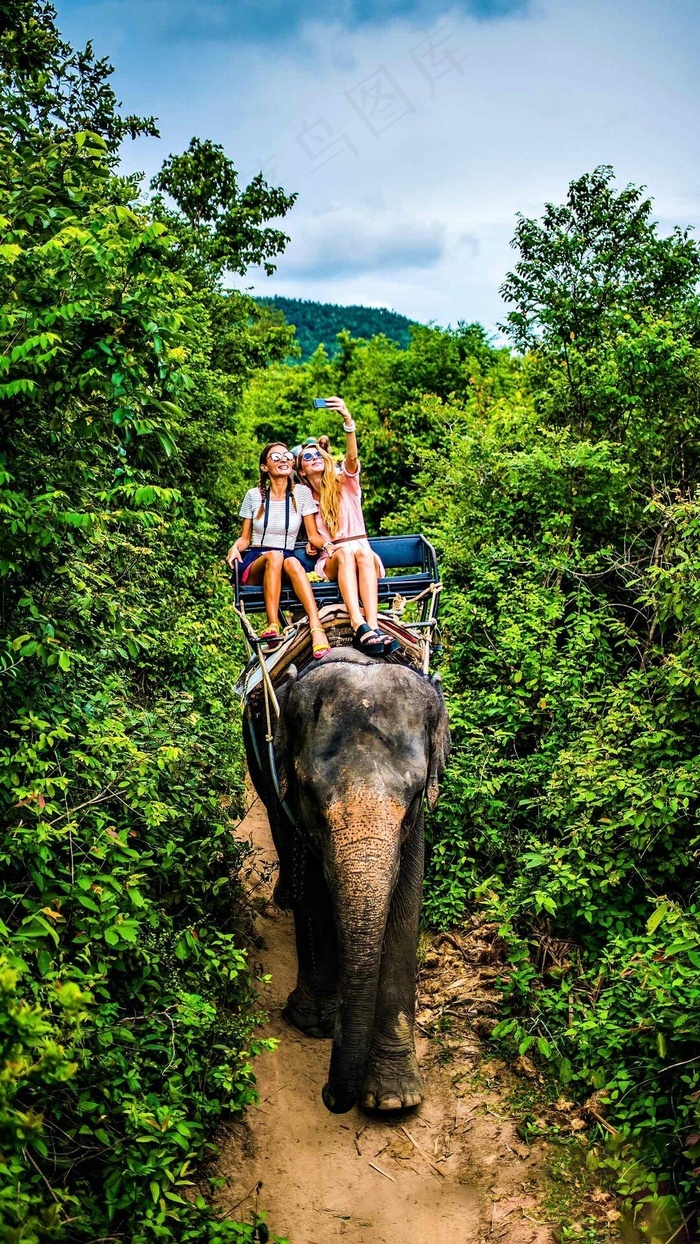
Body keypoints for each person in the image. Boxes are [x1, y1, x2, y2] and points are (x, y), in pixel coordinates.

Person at [296, 397, 399, 657]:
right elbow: (314, 536)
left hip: (360, 548)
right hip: (334, 555)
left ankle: (371, 626)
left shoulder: (345, 483)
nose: (314, 457)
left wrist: (347, 420)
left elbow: (352, 458)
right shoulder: (306, 497)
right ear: (303, 471)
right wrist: (323, 545)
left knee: (362, 552)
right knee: (345, 553)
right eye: (307, 457)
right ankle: (357, 621)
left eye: (317, 453)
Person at [227, 442, 331, 658]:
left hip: (286, 557)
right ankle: (272, 623)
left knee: (292, 562)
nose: (283, 459)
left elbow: (312, 535)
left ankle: (316, 625)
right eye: (275, 457)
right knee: (274, 556)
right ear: (265, 467)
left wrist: (328, 546)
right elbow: (245, 539)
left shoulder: (301, 494)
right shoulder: (254, 495)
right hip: (257, 561)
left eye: (286, 456)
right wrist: (234, 548)